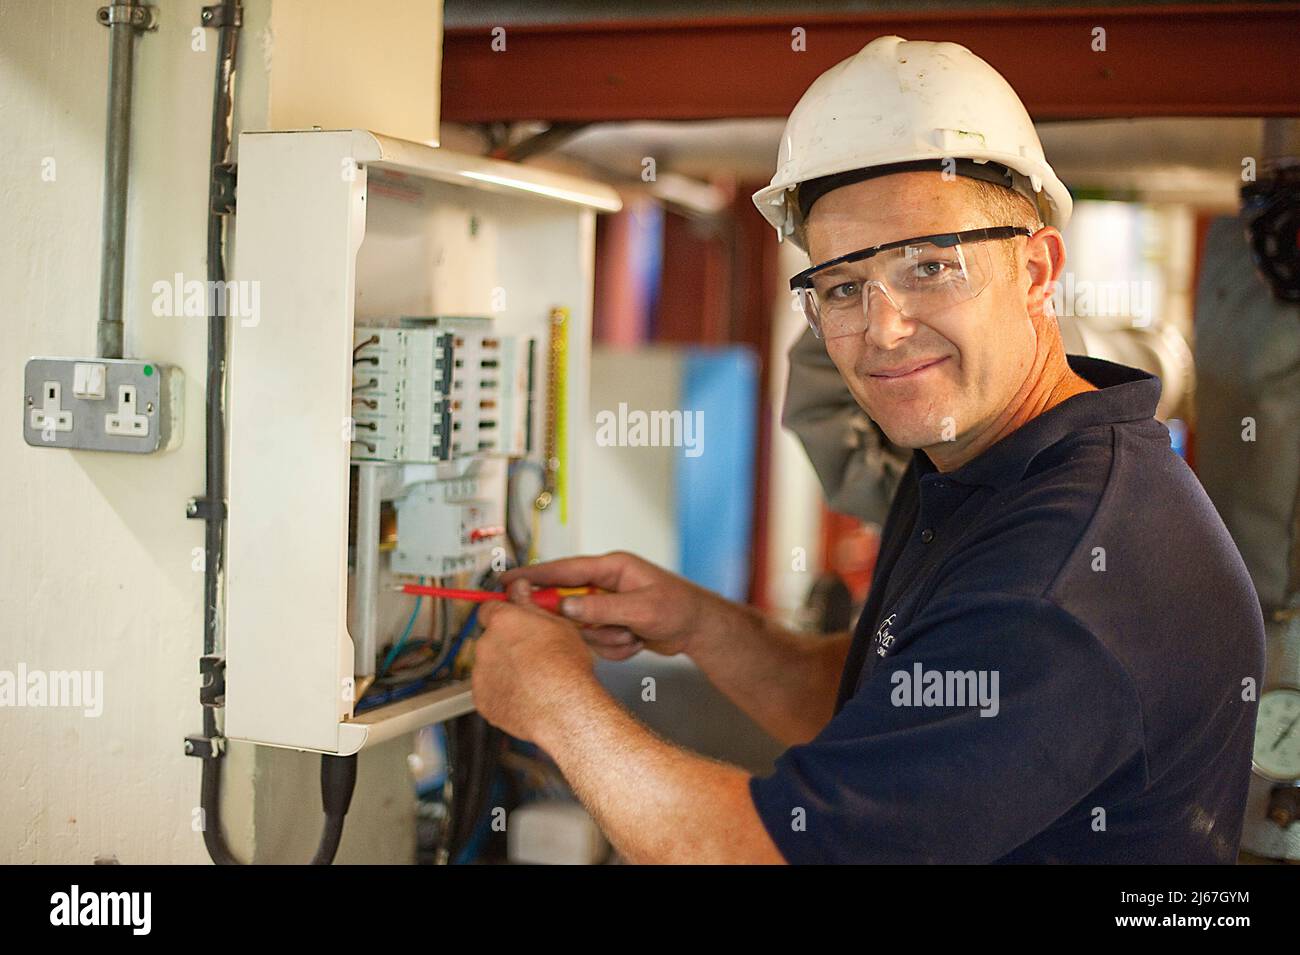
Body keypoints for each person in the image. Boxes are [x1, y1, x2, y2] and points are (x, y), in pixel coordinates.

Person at [470, 35, 1266, 863]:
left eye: (931, 266)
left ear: (1037, 270)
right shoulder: (993, 468)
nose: (883, 331)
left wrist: (553, 703)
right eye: (844, 287)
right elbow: (900, 721)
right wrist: (701, 623)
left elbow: (764, 854)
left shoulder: (1061, 576)